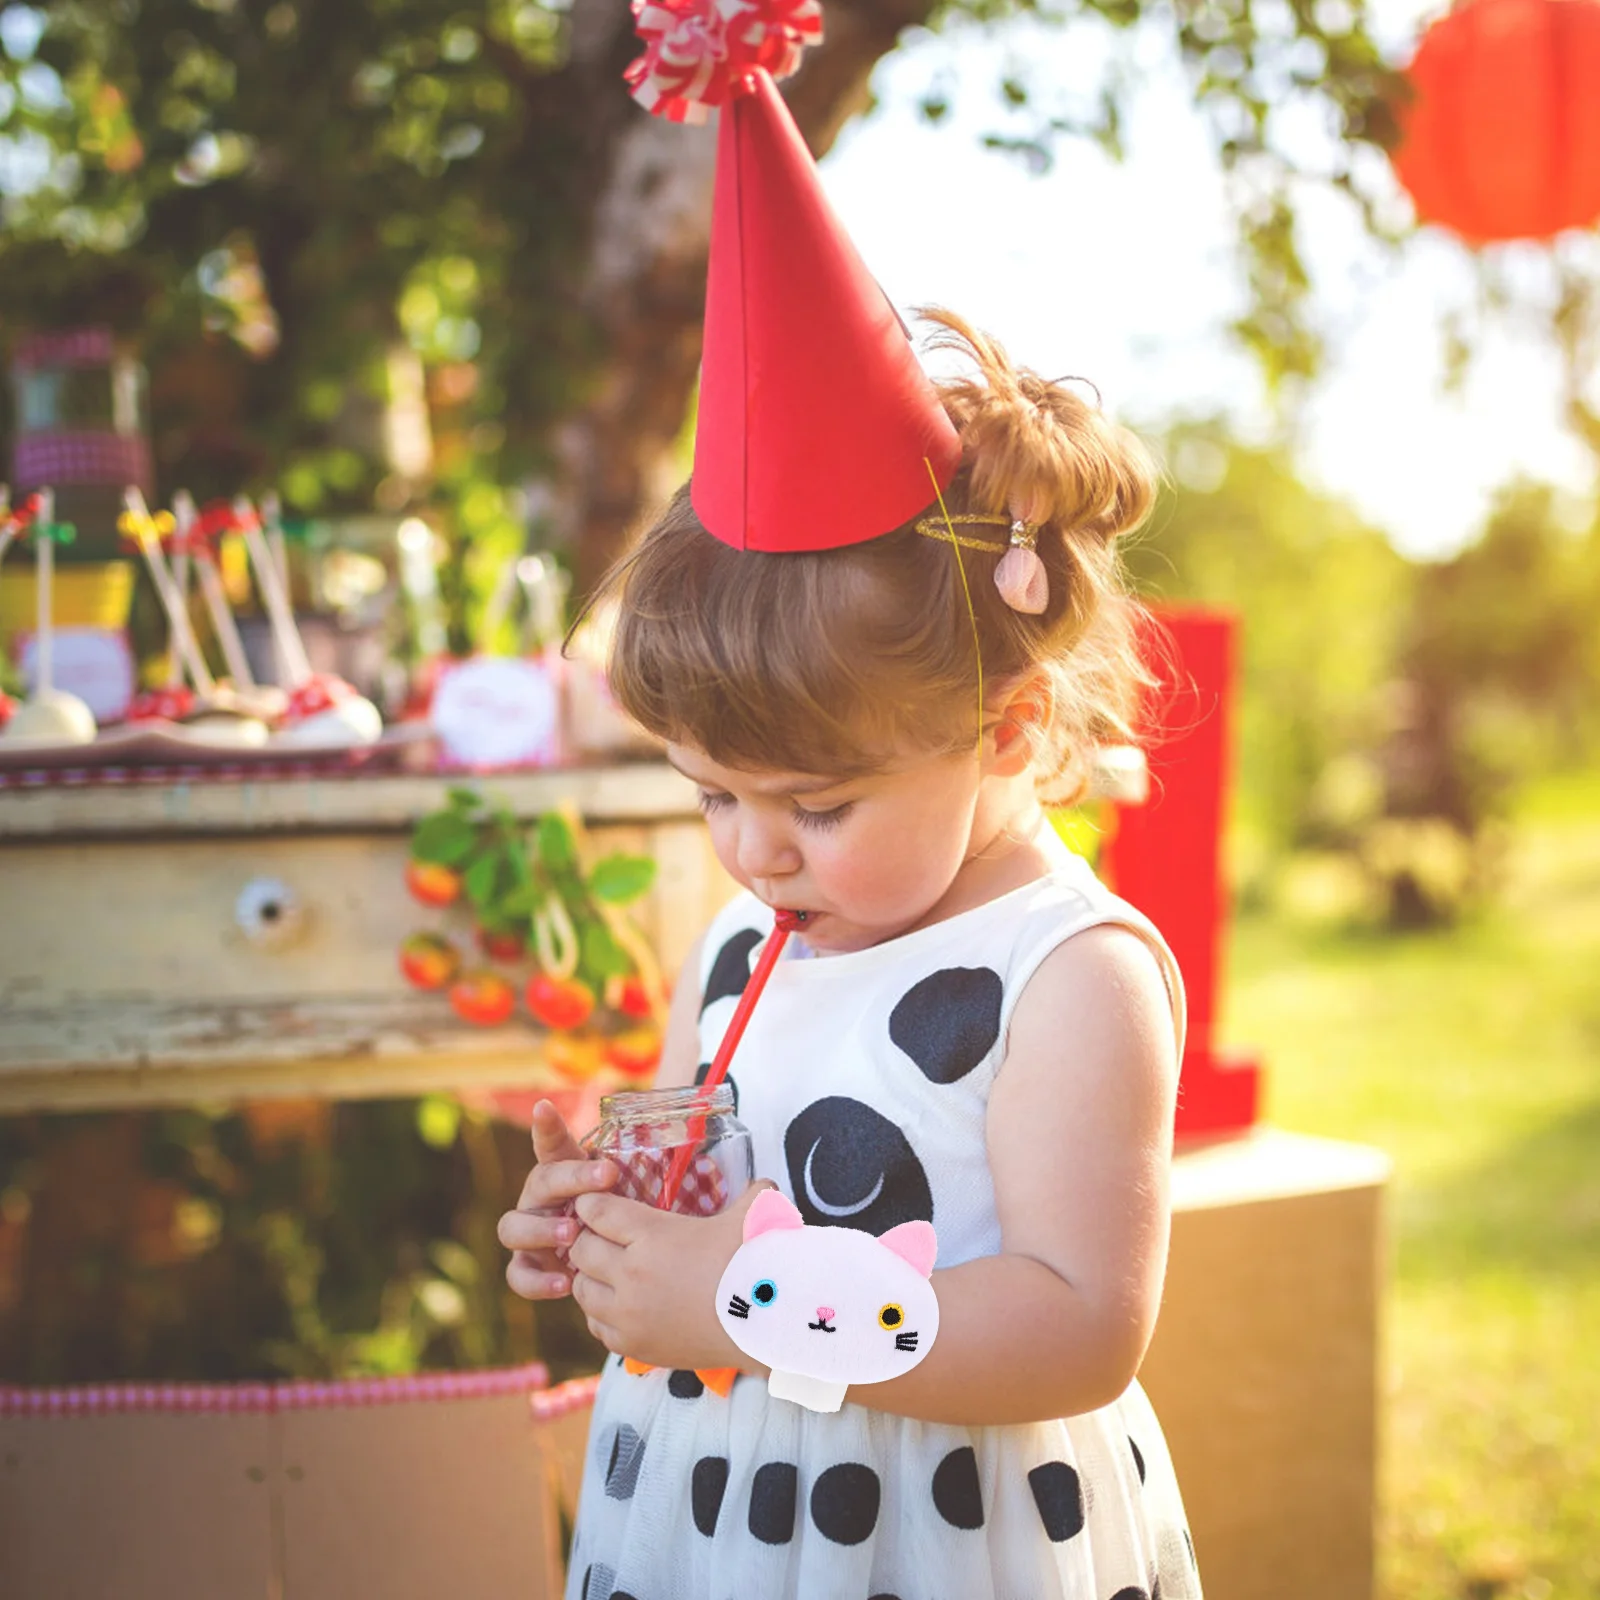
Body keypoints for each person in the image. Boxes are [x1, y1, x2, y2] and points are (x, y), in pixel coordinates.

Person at [498, 303, 1203, 1599]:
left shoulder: (1067, 975)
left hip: (943, 1529)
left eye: (816, 806)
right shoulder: (743, 939)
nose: (756, 851)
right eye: (712, 793)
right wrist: (616, 1221)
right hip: (713, 1516)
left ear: (1007, 728)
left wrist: (743, 1299)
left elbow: (1077, 1328)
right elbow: (716, 1182)